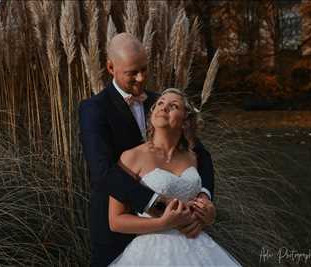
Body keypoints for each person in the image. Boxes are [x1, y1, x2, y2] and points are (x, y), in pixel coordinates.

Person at [79, 33, 215, 267]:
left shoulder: (161, 102)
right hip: (118, 233)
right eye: (132, 72)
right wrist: (161, 207)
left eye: (144, 69)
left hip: (183, 239)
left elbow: (202, 155)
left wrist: (204, 201)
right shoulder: (94, 109)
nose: (141, 78)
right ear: (111, 67)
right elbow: (102, 172)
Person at [109, 88, 242, 266]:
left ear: (185, 121)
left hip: (198, 247)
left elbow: (203, 203)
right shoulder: (131, 157)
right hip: (151, 252)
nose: (164, 108)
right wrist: (163, 223)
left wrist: (209, 215)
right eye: (160, 103)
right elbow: (116, 221)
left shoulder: (194, 157)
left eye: (173, 106)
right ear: (152, 113)